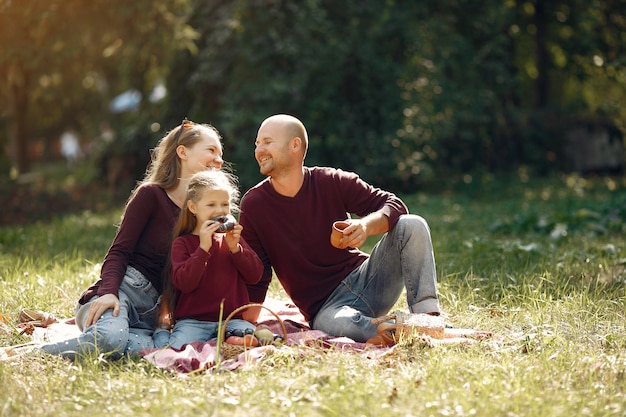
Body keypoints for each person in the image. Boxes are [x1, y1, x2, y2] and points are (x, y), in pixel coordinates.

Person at [239, 114, 440, 345]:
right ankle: (388, 330)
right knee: (335, 325)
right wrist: (243, 326)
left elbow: (395, 205)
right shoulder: (254, 205)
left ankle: (428, 319)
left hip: (368, 280)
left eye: (266, 142)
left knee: (411, 224)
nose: (259, 150)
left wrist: (364, 226)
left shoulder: (331, 180)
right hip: (326, 308)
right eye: (257, 144)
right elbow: (259, 274)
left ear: (294, 145)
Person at [39, 119, 225, 359]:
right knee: (109, 340)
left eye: (221, 154)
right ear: (182, 152)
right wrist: (109, 292)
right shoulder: (151, 195)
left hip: (153, 316)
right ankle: (34, 355)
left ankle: (104, 340)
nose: (219, 160)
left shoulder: (207, 212)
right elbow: (119, 252)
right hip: (122, 292)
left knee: (154, 352)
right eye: (211, 150)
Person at [153, 170, 263, 350]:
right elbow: (185, 283)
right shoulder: (183, 243)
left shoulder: (232, 240)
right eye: (211, 204)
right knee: (174, 350)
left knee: (252, 341)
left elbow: (255, 275)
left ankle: (224, 342)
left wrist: (236, 249)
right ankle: (162, 333)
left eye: (225, 204)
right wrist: (203, 248)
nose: (220, 210)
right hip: (194, 322)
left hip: (231, 320)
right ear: (193, 207)